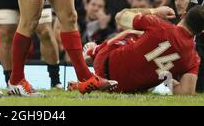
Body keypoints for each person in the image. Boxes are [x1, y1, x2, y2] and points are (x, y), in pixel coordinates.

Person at [71, 5, 203, 95]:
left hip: (104, 63)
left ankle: (94, 51)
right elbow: (186, 92)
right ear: (202, 31)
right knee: (151, 72)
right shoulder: (193, 59)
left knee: (133, 32)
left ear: (183, 15)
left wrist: (154, 11)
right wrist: (167, 77)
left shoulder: (161, 25)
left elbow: (120, 17)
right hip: (129, 89)